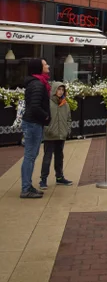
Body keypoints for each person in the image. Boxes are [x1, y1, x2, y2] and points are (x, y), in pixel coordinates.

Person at [20, 58, 51, 199]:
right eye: (45, 64)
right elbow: (35, 106)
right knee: (30, 156)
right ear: (39, 67)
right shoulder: (38, 85)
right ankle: (26, 188)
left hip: (31, 122)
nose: (48, 66)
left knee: (30, 156)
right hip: (33, 123)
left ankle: (27, 185)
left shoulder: (34, 83)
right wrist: (46, 116)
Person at [39, 82, 73, 190]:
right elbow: (42, 118)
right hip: (50, 135)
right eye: (59, 89)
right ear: (54, 90)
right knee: (47, 158)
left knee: (59, 156)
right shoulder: (47, 103)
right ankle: (43, 179)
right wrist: (47, 129)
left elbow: (69, 119)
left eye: (62, 90)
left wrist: (68, 129)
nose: (61, 91)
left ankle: (59, 177)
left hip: (61, 135)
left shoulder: (65, 104)